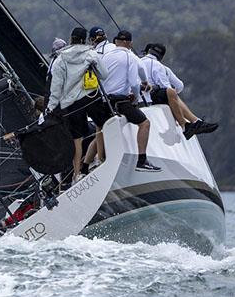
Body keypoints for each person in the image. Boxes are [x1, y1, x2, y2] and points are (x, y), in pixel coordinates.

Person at [47, 27, 108, 183]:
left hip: (71, 101)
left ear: (71, 38)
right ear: (85, 39)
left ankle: (76, 174)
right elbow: (104, 75)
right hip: (91, 95)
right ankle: (102, 158)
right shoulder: (90, 54)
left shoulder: (61, 58)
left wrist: (52, 106)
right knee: (104, 125)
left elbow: (56, 84)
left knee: (77, 139)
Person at [100, 30, 161, 172]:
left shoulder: (105, 56)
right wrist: (137, 96)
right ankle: (142, 160)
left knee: (101, 129)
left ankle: (90, 164)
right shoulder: (130, 57)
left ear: (116, 42)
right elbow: (134, 82)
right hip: (120, 101)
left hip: (103, 101)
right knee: (144, 123)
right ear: (129, 43)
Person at [140, 43, 218, 138]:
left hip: (140, 97)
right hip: (149, 97)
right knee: (171, 93)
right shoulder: (160, 66)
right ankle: (188, 124)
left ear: (147, 51)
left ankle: (195, 122)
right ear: (161, 56)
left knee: (171, 94)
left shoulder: (137, 61)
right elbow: (178, 86)